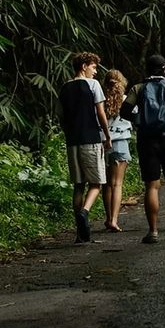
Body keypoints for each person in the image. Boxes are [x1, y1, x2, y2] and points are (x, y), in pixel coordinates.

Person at [120, 54, 165, 244]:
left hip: (147, 140)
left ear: (147, 69)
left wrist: (139, 121)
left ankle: (153, 231)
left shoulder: (138, 88)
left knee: (152, 184)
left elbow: (124, 111)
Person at [58, 51, 112, 242]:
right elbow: (101, 113)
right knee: (97, 183)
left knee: (78, 184)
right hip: (91, 138)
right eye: (93, 67)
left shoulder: (65, 87)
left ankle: (80, 234)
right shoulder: (93, 85)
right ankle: (85, 212)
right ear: (84, 66)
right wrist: (107, 136)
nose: (95, 72)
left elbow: (62, 117)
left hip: (73, 141)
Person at [101, 69, 132, 233]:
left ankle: (107, 218)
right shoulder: (126, 101)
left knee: (106, 184)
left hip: (104, 145)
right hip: (121, 144)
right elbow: (136, 115)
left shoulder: (100, 101)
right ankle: (114, 219)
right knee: (117, 184)